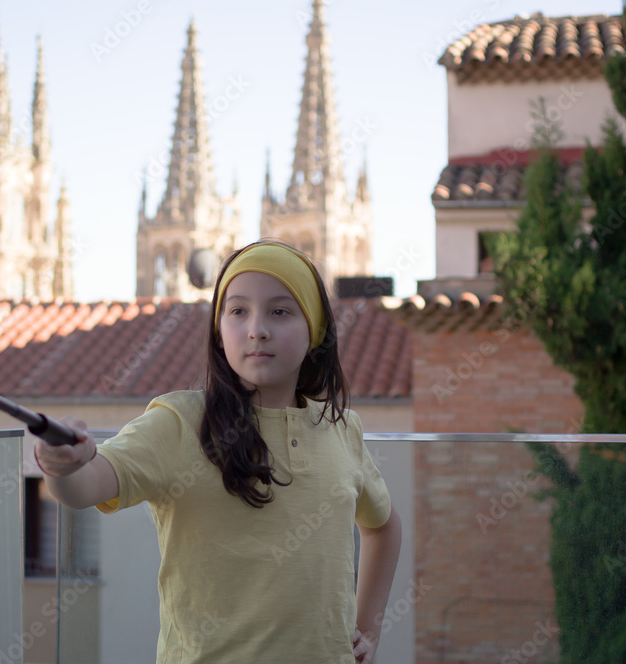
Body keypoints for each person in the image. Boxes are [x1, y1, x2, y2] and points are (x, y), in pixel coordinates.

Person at [35, 240, 402, 664]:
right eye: (238, 310)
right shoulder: (178, 421)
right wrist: (62, 465)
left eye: (280, 311)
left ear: (315, 331)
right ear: (219, 328)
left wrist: (368, 627)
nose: (256, 329)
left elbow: (383, 527)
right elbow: (86, 486)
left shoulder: (342, 429)